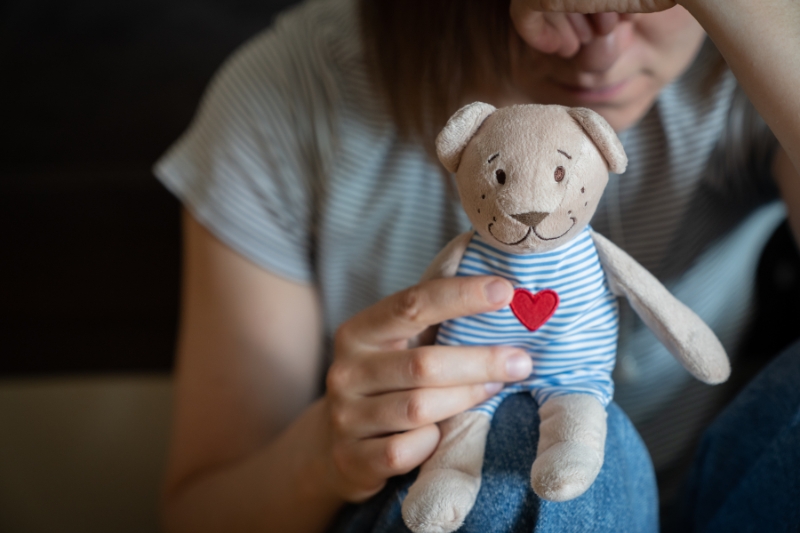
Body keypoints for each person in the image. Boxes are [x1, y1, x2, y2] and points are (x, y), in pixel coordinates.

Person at [153, 0, 800, 531]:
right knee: (514, 433)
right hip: (428, 500)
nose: (602, 47)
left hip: (712, 504)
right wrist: (327, 454)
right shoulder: (293, 94)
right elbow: (198, 515)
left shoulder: (738, 69)